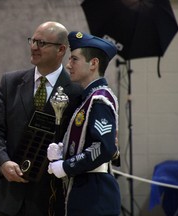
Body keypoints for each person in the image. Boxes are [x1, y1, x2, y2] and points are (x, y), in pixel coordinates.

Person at [0, 22, 82, 216]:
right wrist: (2, 162)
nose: (34, 47)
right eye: (33, 41)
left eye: (42, 43)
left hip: (53, 199)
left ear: (61, 50)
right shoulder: (10, 82)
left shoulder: (78, 89)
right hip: (10, 199)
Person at [47, 31, 121, 216]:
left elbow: (103, 147)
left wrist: (66, 166)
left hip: (95, 193)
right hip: (86, 188)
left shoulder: (99, 100)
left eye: (74, 59)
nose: (68, 65)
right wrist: (63, 151)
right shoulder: (88, 98)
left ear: (93, 64)